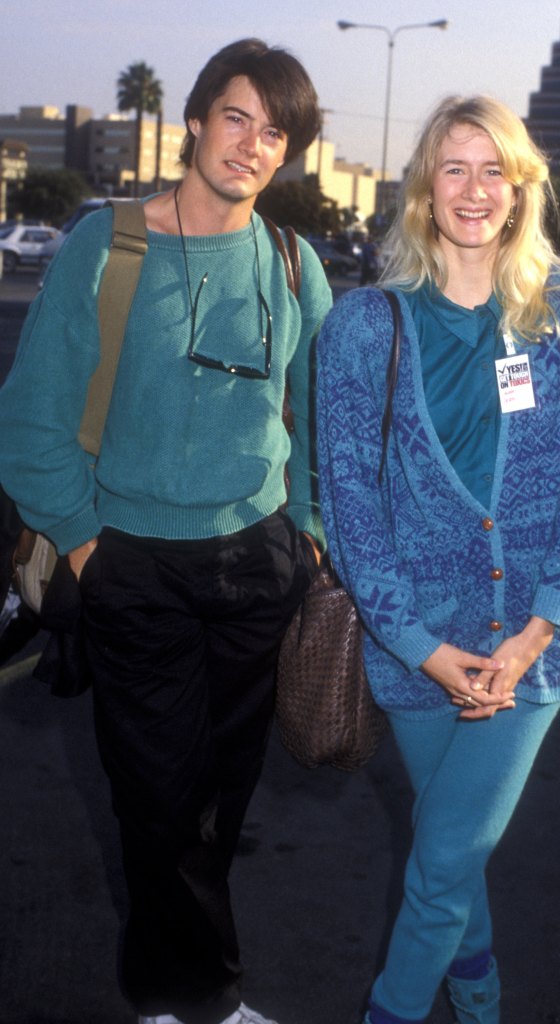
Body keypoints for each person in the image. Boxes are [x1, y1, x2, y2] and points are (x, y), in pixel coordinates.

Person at [0, 39, 331, 1024]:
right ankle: (185, 996)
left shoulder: (291, 260)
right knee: (155, 796)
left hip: (257, 565)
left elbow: (321, 420)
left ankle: (190, 988)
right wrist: (86, 540)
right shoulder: (109, 245)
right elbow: (31, 419)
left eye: (276, 132)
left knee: (221, 798)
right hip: (130, 563)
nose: (253, 143)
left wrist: (306, 535)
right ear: (193, 120)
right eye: (237, 117)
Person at [316, 95, 560, 1024]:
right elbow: (349, 501)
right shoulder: (367, 327)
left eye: (494, 169)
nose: (474, 189)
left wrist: (531, 638)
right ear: (422, 188)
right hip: (418, 652)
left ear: (521, 187)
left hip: (525, 654)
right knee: (450, 841)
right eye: (454, 167)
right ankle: (479, 993)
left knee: (441, 858)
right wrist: (415, 643)